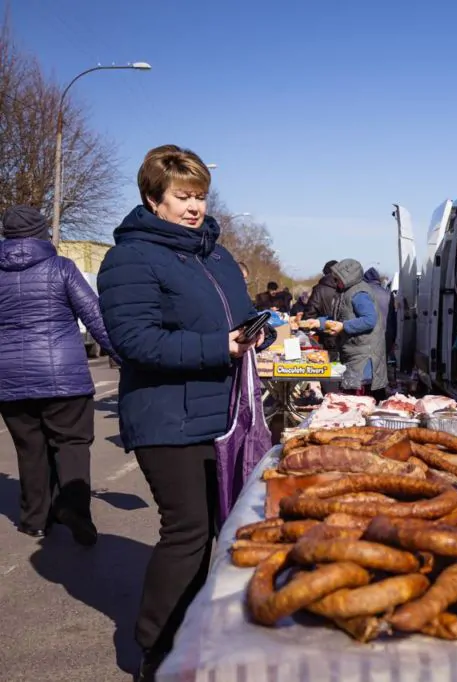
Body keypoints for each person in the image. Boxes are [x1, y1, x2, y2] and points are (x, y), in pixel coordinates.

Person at [97, 144, 275, 681]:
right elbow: (133, 341)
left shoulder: (215, 255)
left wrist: (257, 332)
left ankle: (197, 634)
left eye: (199, 196)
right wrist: (219, 347)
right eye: (182, 197)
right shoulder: (130, 258)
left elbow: (240, 316)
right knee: (188, 531)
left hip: (224, 415)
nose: (195, 207)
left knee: (225, 529)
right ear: (154, 199)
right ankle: (154, 648)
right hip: (166, 417)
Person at [0, 205, 115, 544]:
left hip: (9, 378)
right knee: (71, 444)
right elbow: (95, 316)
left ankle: (34, 519)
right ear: (42, 234)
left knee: (30, 448)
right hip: (63, 377)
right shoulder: (61, 268)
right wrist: (124, 356)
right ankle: (75, 510)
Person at [304, 259, 387, 398]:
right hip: (352, 351)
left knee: (359, 397)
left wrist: (344, 326)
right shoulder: (343, 292)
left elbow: (369, 320)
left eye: (337, 279)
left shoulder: (359, 293)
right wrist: (319, 323)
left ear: (347, 277)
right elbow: (338, 317)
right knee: (350, 394)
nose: (335, 282)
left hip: (364, 354)